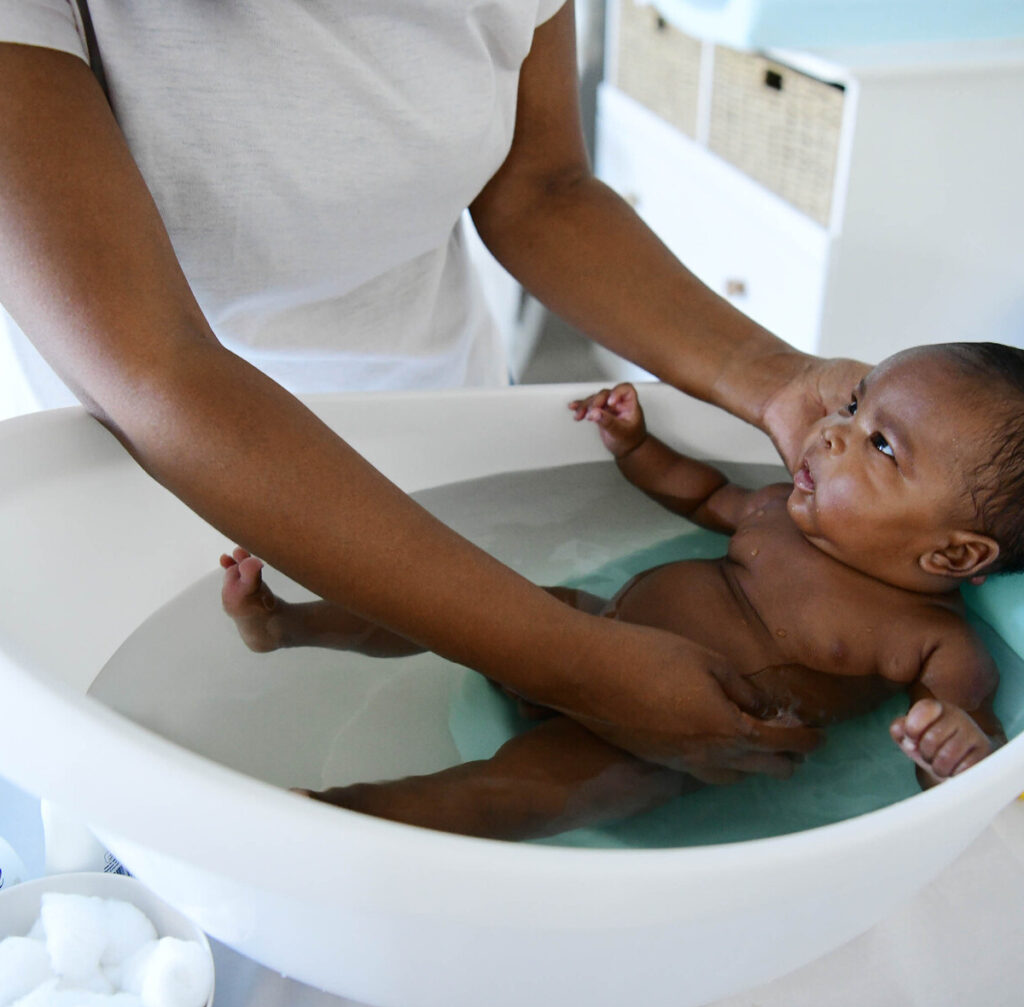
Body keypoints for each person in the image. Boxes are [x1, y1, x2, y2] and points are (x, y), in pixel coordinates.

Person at [0, 2, 863, 780]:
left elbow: (542, 191)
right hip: (182, 478)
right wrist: (581, 666)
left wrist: (779, 381)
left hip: (451, 412)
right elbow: (155, 370)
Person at [220, 342, 1017, 840]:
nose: (833, 429)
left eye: (879, 443)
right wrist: (635, 446)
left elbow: (963, 757)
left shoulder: (934, 640)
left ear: (953, 553)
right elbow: (702, 496)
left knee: (514, 795)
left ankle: (336, 819)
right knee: (489, 604)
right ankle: (290, 623)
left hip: (668, 743)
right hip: (598, 631)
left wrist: (951, 749)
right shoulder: (781, 511)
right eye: (851, 402)